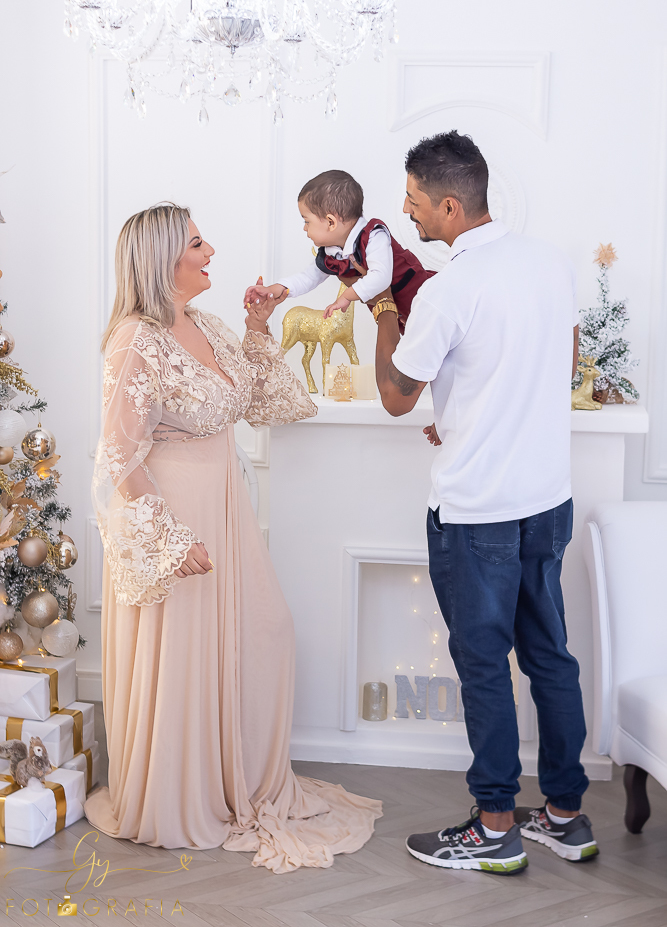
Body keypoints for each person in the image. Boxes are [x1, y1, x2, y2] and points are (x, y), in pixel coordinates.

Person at [84, 202, 382, 872]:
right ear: (163, 259)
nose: (210, 248)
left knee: (265, 633)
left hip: (226, 512)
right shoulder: (135, 338)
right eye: (196, 242)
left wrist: (255, 326)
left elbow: (260, 401)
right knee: (186, 658)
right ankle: (182, 795)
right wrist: (167, 539)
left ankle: (234, 779)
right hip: (176, 520)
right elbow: (119, 455)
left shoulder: (205, 325)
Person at [369, 131, 597, 875]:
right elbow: (554, 366)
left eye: (412, 205)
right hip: (546, 502)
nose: (406, 219)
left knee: (482, 666)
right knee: (549, 657)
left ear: (448, 203)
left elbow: (397, 398)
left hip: (477, 516)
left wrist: (379, 312)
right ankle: (563, 815)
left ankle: (495, 825)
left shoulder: (446, 289)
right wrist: (464, 406)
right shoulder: (546, 261)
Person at [243, 170, 435, 331]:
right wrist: (272, 290)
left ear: (331, 222)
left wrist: (346, 297)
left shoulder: (374, 235)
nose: (304, 228)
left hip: (427, 300)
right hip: (404, 317)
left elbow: (381, 277)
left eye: (306, 221)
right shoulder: (332, 253)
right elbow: (307, 278)